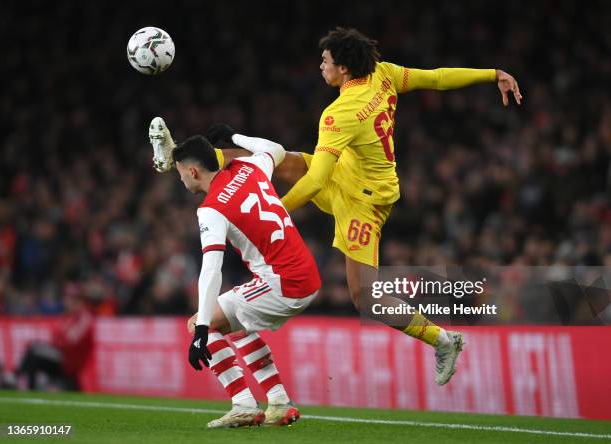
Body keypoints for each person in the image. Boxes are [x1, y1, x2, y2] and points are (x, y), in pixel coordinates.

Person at [202, 27, 523, 386]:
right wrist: (493, 73)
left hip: (364, 203)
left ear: (343, 69)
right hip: (348, 176)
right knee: (277, 159)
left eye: (325, 61)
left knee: (366, 298)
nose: (320, 66)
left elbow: (316, 181)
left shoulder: (339, 113)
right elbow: (437, 78)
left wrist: (277, 211)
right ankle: (195, 157)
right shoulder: (382, 74)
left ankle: (444, 340)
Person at [150, 120, 321, 428]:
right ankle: (279, 403)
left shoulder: (211, 208)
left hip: (283, 283)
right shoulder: (249, 167)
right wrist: (235, 136)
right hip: (305, 273)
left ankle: (242, 404)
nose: (179, 179)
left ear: (192, 172)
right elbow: (274, 149)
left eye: (179, 173)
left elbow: (211, 269)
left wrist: (202, 329)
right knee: (235, 324)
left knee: (201, 321)